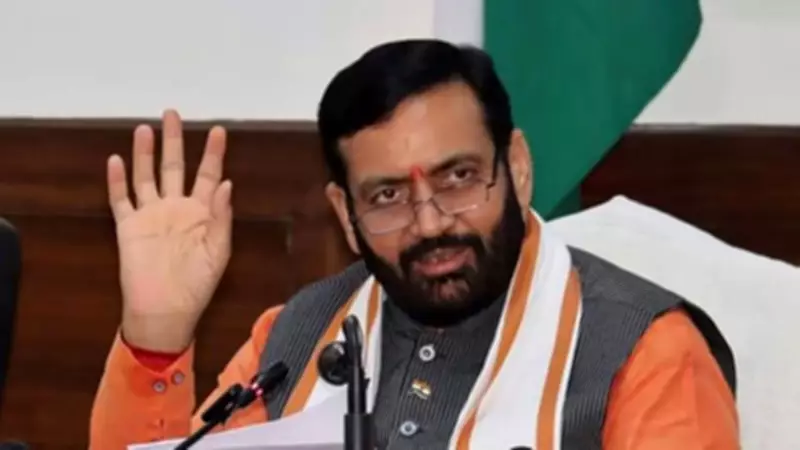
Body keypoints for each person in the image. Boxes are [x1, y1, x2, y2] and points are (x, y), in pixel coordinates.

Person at [90, 39, 739, 450]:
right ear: (346, 216)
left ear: (516, 169)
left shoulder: (644, 353)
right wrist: (156, 337)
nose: (429, 224)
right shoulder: (295, 338)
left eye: (458, 178)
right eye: (388, 196)